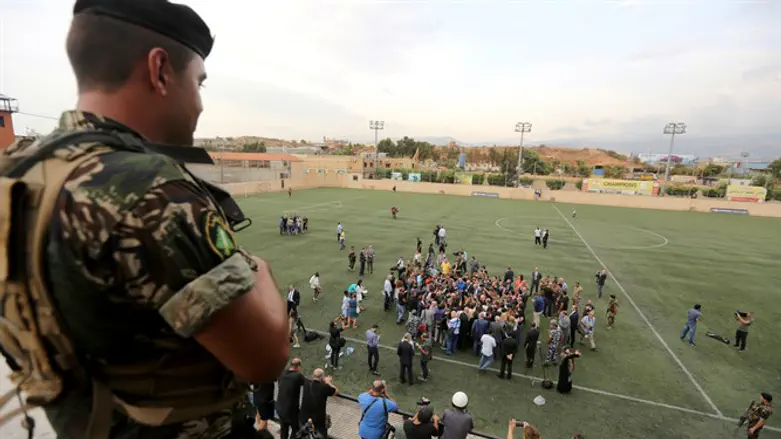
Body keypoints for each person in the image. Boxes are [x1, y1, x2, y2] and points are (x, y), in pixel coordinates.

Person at [0, 2, 290, 438]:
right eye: (199, 83)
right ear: (159, 70)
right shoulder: (152, 190)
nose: (199, 104)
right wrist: (259, 270)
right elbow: (265, 358)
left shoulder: (13, 168)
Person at [299, 369, 338, 439]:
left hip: (304, 417)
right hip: (318, 420)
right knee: (321, 435)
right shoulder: (324, 387)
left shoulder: (306, 383)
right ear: (322, 377)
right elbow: (336, 391)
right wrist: (328, 382)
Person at [277, 359, 306, 439]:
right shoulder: (298, 375)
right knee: (295, 429)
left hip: (280, 407)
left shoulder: (282, 373)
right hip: (291, 410)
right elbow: (306, 383)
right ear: (298, 367)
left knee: (283, 429)